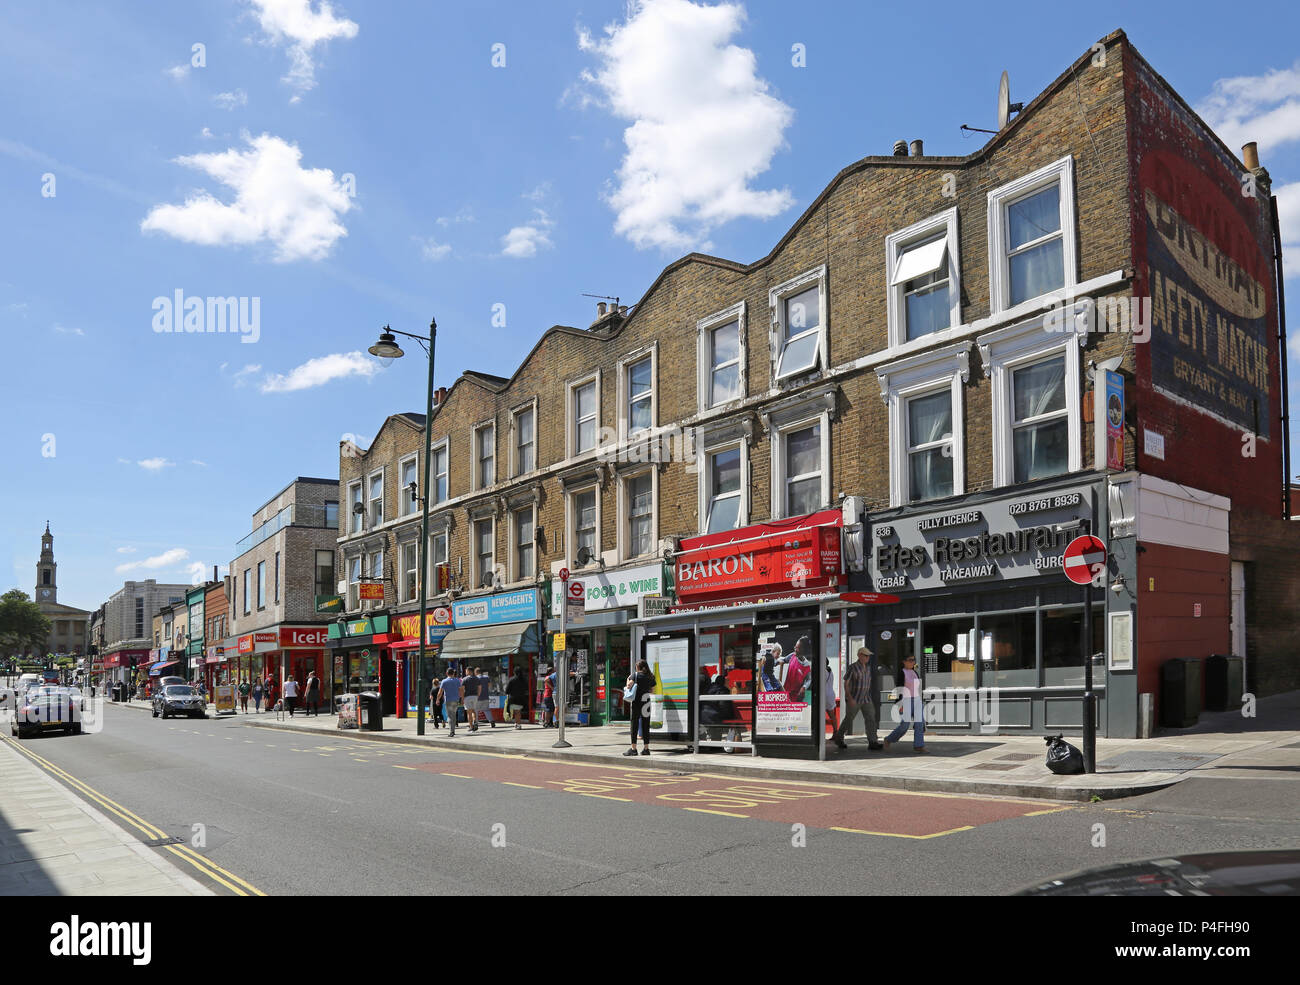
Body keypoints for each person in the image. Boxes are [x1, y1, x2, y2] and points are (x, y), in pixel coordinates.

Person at [833, 648, 882, 751]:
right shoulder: (853, 667)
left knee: (871, 719)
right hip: (855, 698)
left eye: (869, 656)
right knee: (849, 719)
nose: (868, 658)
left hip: (866, 698)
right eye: (866, 655)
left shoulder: (868, 668)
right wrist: (849, 698)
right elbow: (846, 683)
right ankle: (839, 737)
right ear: (859, 655)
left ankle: (872, 742)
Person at [883, 653, 926, 753]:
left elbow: (917, 688)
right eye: (910, 660)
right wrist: (900, 704)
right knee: (905, 725)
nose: (912, 662)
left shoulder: (915, 672)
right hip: (905, 701)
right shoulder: (902, 673)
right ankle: (888, 739)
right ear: (904, 662)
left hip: (916, 700)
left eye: (913, 660)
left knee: (919, 723)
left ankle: (919, 746)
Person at [624, 659, 656, 757]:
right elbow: (652, 691)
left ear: (638, 667)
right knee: (646, 725)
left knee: (634, 725)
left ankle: (633, 749)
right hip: (646, 702)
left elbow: (628, 687)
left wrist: (628, 679)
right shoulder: (650, 677)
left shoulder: (635, 675)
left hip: (637, 703)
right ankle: (646, 749)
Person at [436, 669, 463, 738]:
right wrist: (462, 699)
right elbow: (461, 690)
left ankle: (452, 731)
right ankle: (453, 729)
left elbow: (440, 692)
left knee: (450, 716)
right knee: (453, 715)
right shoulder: (457, 680)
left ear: (446, 673)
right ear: (453, 673)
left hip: (448, 700)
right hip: (456, 700)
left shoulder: (444, 681)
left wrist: (437, 699)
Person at [460, 666, 480, 732]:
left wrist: (462, 698)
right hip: (475, 696)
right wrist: (478, 695)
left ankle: (471, 727)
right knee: (474, 711)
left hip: (467, 697)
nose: (465, 672)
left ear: (469, 671)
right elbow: (480, 687)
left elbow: (462, 689)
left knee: (469, 713)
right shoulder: (477, 678)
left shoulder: (464, 679)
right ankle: (475, 722)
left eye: (466, 671)